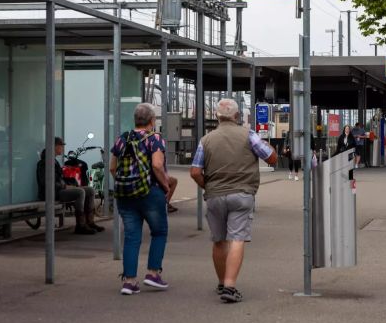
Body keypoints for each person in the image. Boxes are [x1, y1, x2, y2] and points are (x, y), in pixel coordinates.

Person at [190, 99, 277, 304]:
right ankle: (230, 286)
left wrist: (208, 187)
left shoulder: (206, 139)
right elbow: (272, 158)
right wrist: (267, 145)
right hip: (243, 194)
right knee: (237, 238)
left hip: (215, 195)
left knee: (219, 240)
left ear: (217, 117)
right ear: (237, 117)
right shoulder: (248, 135)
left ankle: (221, 282)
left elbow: (195, 171)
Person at [110, 103, 172, 296]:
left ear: (135, 120)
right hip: (149, 193)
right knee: (159, 231)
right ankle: (153, 273)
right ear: (152, 121)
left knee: (131, 237)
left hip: (125, 195)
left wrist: (126, 183)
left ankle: (129, 282)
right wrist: (165, 186)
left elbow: (112, 167)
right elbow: (157, 165)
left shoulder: (122, 139)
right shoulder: (155, 139)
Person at [36, 137, 104, 235]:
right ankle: (80, 225)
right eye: (61, 146)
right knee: (80, 192)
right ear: (55, 147)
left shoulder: (54, 161)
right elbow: (47, 182)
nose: (62, 148)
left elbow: (59, 178)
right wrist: (65, 187)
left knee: (90, 190)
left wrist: (69, 184)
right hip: (51, 193)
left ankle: (90, 222)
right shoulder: (44, 163)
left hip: (58, 190)